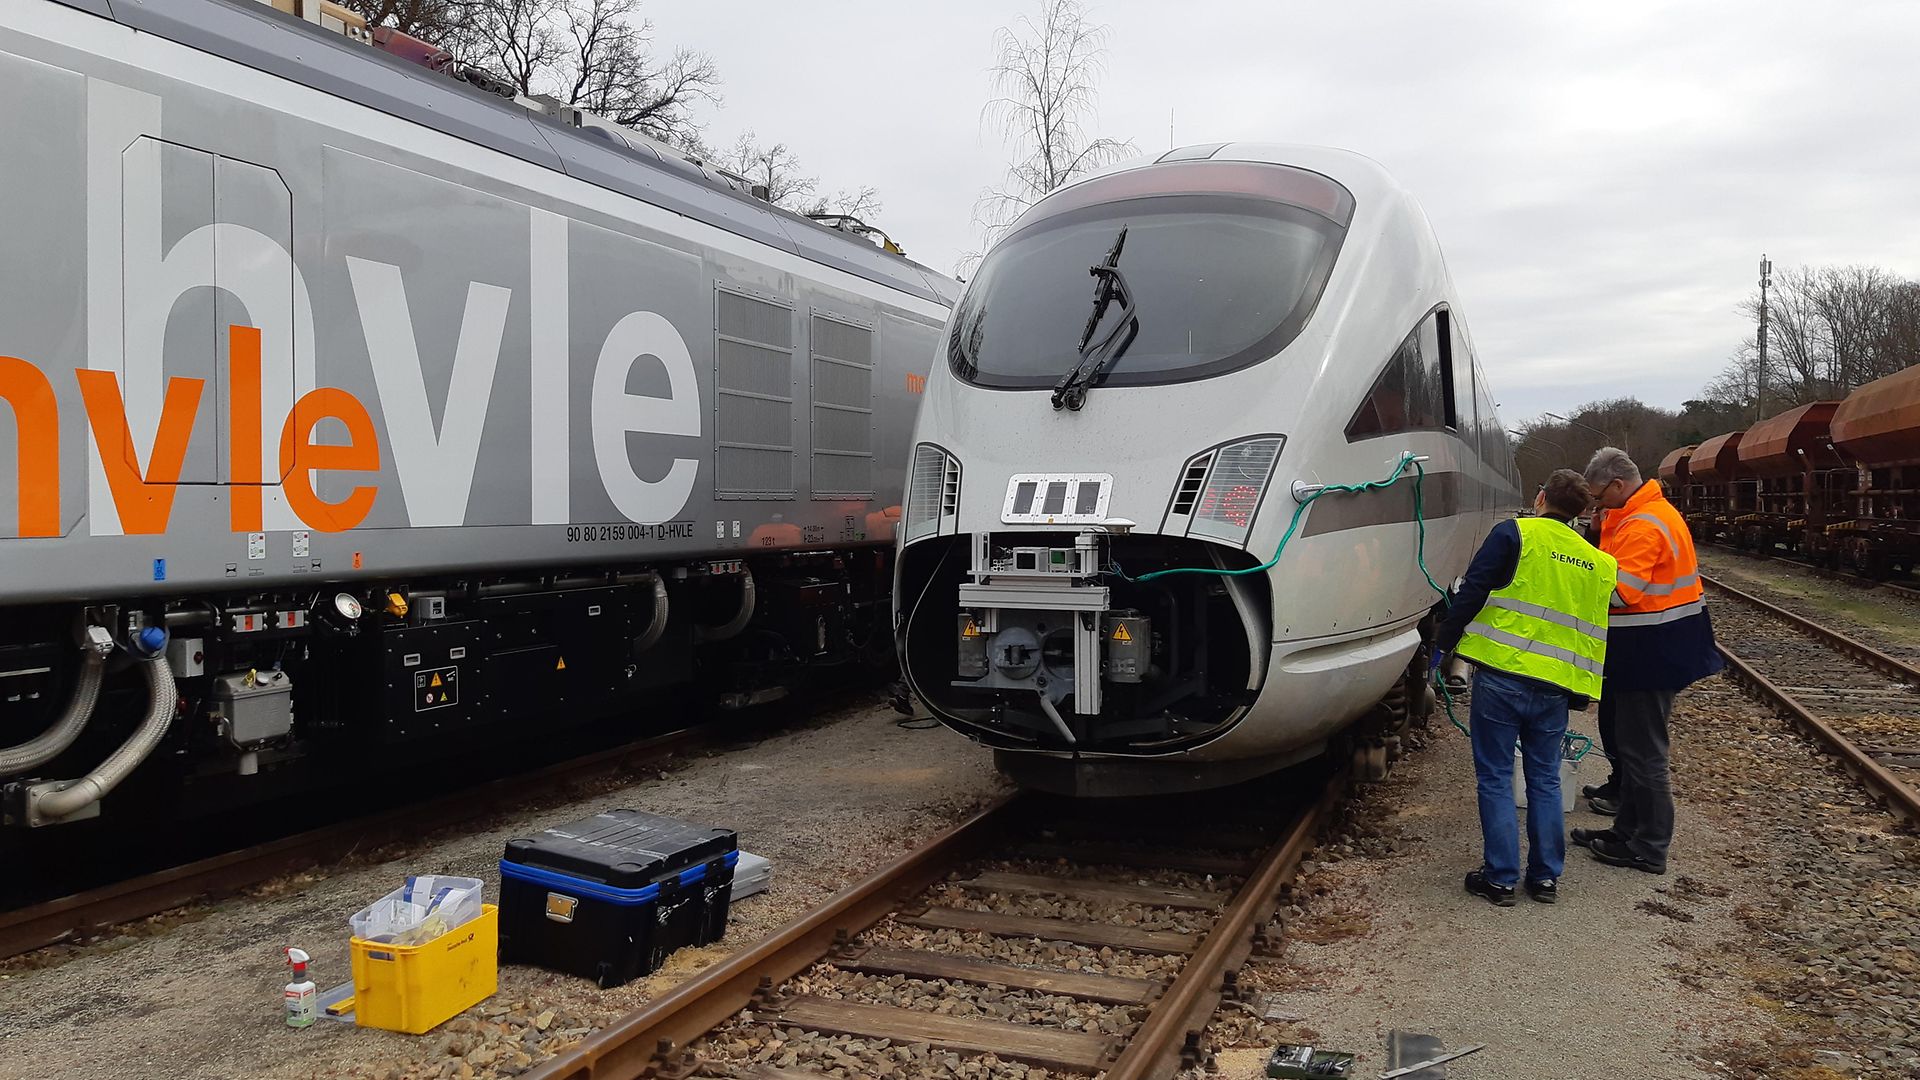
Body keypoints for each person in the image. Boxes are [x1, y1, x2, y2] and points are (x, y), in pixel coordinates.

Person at [1432, 469, 1618, 906]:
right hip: (1556, 688)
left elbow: (1473, 591)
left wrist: (1443, 646)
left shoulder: (1513, 534)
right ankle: (1545, 879)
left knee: (1496, 777)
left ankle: (1499, 879)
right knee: (1545, 779)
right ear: (1582, 511)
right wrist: (1581, 691)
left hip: (1502, 677)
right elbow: (1594, 630)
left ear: (1540, 498)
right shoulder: (1599, 562)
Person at [1572, 447, 1724, 875]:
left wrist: (1568, 579)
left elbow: (1621, 592)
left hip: (1651, 652)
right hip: (1648, 647)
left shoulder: (1644, 525)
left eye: (1600, 495)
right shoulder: (1641, 514)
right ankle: (1626, 832)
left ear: (1618, 485)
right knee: (1630, 746)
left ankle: (1650, 846)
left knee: (1644, 753)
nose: (1596, 504)